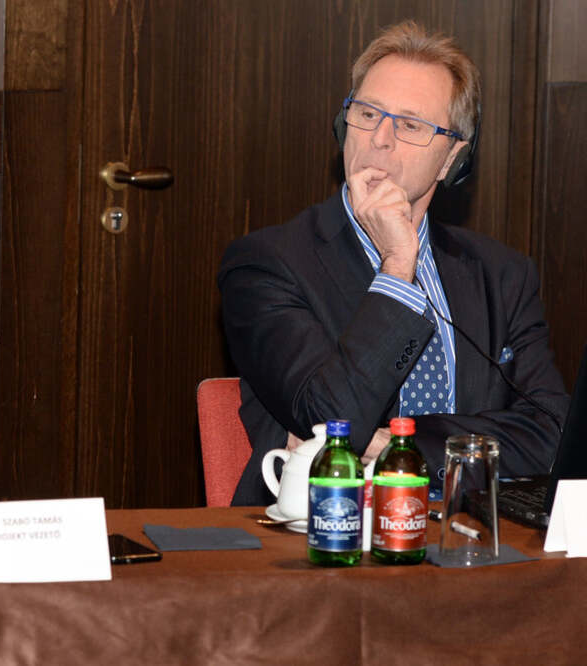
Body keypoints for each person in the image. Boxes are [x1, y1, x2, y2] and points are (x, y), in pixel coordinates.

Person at [218, 21, 569, 505]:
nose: (380, 139)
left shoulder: (502, 274)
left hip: (470, 533)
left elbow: (552, 433)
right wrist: (399, 267)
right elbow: (332, 421)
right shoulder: (266, 265)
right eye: (367, 114)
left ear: (452, 159)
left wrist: (400, 451)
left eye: (409, 125)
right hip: (324, 534)